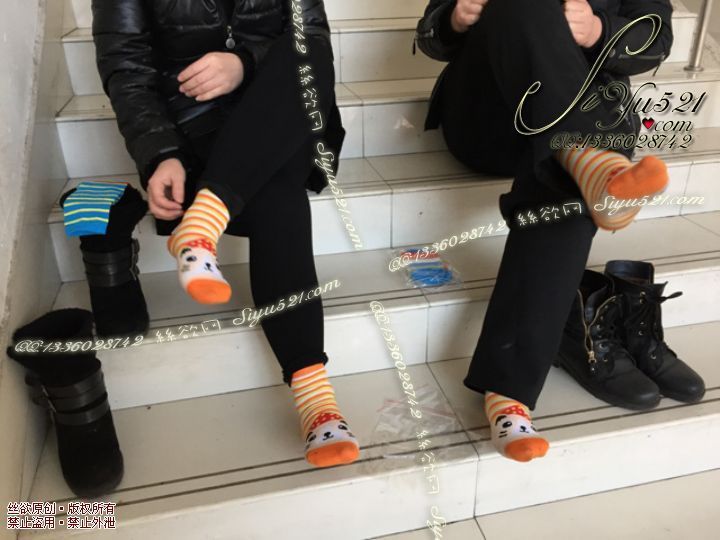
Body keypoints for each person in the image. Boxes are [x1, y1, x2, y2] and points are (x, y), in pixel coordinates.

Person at [92, 0, 359, 468]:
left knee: (307, 52)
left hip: (288, 107)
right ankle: (316, 397)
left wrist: (245, 63)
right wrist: (161, 154)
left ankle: (204, 221)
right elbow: (126, 67)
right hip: (194, 127)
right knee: (278, 189)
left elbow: (313, 35)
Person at [416, 0, 675, 462]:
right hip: (489, 117)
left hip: (589, 103)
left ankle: (509, 395)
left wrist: (599, 30)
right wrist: (453, 20)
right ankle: (590, 160)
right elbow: (430, 35)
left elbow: (657, 36)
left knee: (567, 172)